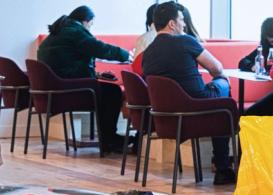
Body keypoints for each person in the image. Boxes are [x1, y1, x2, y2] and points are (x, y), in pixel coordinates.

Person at [142, 1, 236, 185]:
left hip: (167, 119)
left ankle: (222, 165)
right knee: (224, 88)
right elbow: (217, 68)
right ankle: (222, 166)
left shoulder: (148, 52)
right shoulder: (185, 41)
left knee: (221, 101)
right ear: (172, 23)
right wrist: (221, 78)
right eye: (182, 20)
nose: (184, 24)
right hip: (196, 109)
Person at [37, 5, 132, 153]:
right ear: (86, 21)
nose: (90, 29)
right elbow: (99, 48)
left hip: (57, 89)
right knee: (113, 91)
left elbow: (68, 63)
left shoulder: (58, 33)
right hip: (70, 91)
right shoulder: (75, 32)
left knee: (106, 90)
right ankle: (109, 139)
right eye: (91, 24)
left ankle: (108, 138)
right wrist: (126, 55)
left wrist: (94, 75)